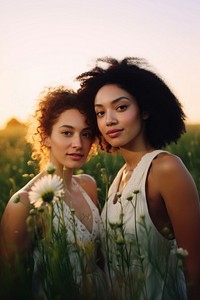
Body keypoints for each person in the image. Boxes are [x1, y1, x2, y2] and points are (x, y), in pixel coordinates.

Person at [76, 57, 200, 300]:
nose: (109, 120)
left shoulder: (166, 168)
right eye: (100, 113)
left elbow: (195, 269)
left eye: (121, 107)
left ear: (144, 110)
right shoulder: (119, 179)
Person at [0, 86, 105, 300]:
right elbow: (10, 286)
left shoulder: (88, 185)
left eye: (86, 134)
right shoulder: (23, 203)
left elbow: (100, 259)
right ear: (46, 137)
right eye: (67, 132)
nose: (78, 144)